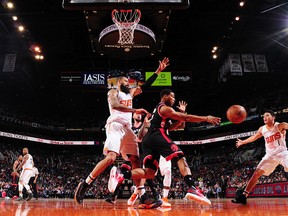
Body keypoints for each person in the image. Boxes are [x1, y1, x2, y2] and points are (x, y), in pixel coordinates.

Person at [74, 57, 170, 204]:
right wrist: (134, 109)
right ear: (119, 83)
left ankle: (142, 195)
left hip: (128, 129)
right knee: (111, 158)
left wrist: (158, 70)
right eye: (125, 81)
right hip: (115, 125)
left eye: (129, 82)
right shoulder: (113, 92)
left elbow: (146, 85)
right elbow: (115, 105)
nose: (128, 83)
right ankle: (85, 184)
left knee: (135, 159)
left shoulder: (130, 93)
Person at [108, 89, 221, 206]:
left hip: (149, 140)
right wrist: (206, 118)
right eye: (172, 97)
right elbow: (184, 118)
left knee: (149, 173)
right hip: (157, 135)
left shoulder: (158, 111)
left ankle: (121, 175)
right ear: (165, 96)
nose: (174, 100)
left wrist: (181, 117)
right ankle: (192, 187)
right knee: (180, 156)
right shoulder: (164, 108)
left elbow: (172, 127)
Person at [232, 110, 288, 205]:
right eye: (263, 116)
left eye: (267, 116)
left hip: (282, 153)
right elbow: (254, 137)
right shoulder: (262, 129)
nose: (264, 118)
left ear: (273, 117)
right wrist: (243, 142)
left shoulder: (280, 125)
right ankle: (243, 196)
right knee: (256, 173)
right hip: (270, 156)